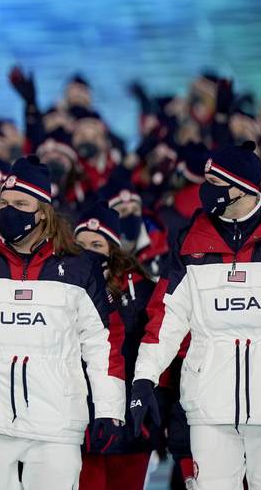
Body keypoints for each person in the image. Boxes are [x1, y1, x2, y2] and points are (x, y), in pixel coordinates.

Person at [0, 156, 126, 490]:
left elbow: (101, 344)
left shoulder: (78, 267)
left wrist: (109, 409)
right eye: (4, 203)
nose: (9, 211)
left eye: (20, 204)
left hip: (57, 420)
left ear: (43, 211)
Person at [131, 142, 261, 490]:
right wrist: (144, 377)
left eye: (215, 182)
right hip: (208, 406)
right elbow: (166, 317)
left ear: (242, 186)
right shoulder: (190, 240)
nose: (206, 190)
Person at [73, 202, 158, 490]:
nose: (88, 251)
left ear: (113, 250)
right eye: (81, 244)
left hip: (131, 421)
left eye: (97, 244)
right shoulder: (59, 285)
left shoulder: (142, 290)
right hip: (78, 420)